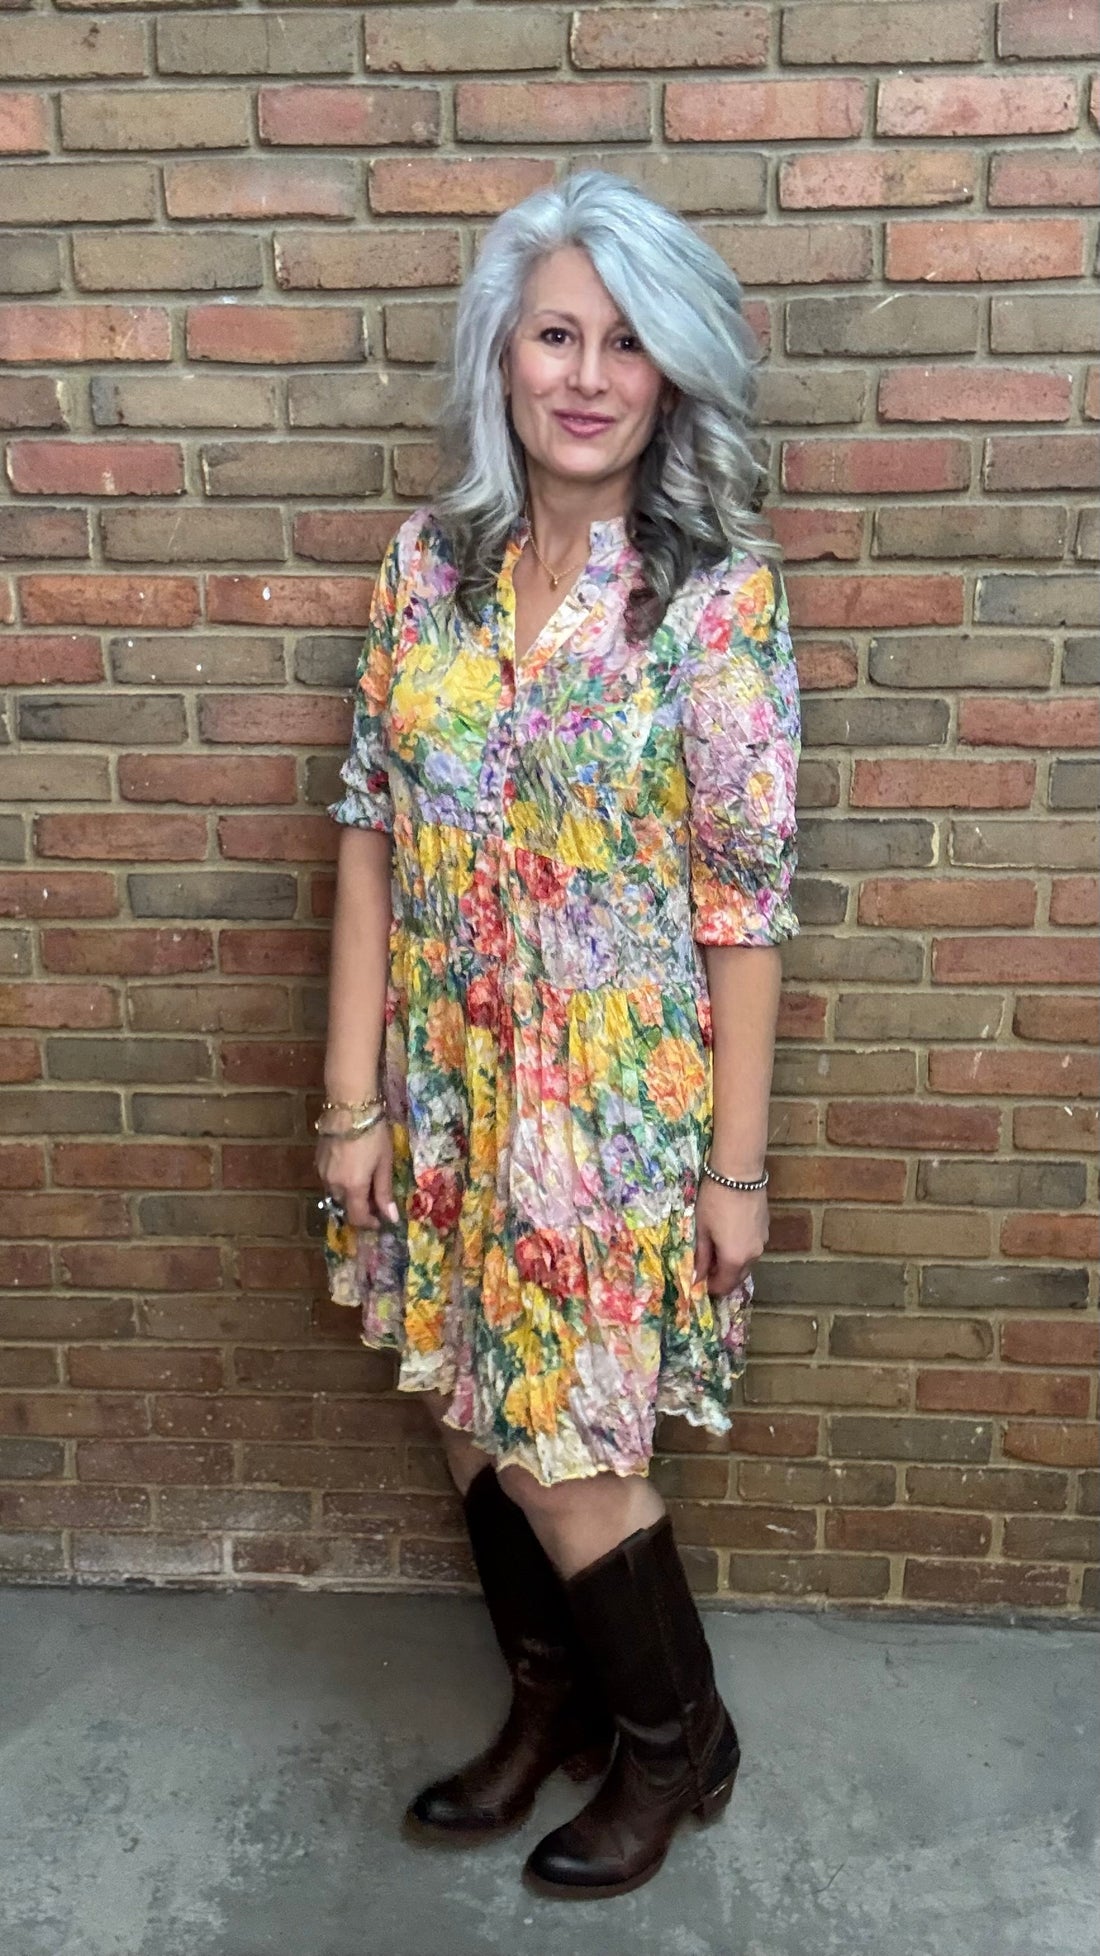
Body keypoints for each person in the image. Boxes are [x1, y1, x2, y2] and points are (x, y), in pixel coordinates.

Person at [316, 168, 800, 1901]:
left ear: (673, 376)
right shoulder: (426, 571)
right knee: (470, 1411)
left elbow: (743, 902)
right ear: (501, 356)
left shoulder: (714, 601)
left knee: (575, 1454)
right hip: (446, 1083)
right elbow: (368, 830)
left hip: (609, 1108)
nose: (587, 376)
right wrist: (350, 1102)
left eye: (627, 343)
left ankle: (679, 1745)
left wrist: (737, 1171)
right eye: (555, 336)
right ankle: (558, 1707)